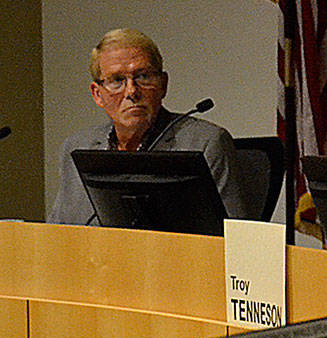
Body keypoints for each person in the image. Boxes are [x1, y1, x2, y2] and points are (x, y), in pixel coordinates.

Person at [48, 28, 248, 225]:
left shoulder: (204, 143)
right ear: (97, 94)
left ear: (163, 84)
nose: (132, 91)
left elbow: (233, 240)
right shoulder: (76, 148)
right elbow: (59, 233)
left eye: (143, 77)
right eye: (117, 80)